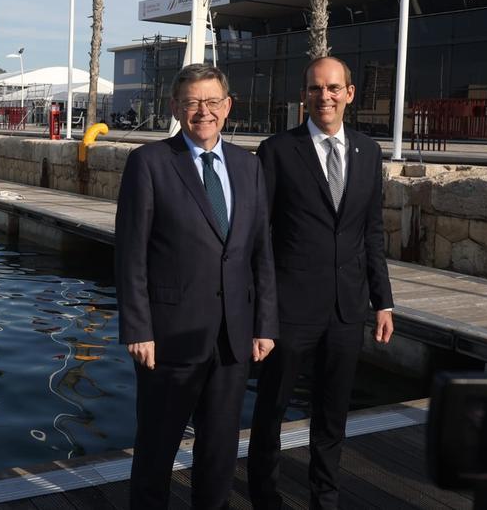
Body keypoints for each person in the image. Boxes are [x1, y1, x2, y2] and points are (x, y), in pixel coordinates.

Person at [116, 63, 278, 509]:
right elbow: (130, 254)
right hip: (168, 338)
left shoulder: (250, 166)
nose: (202, 112)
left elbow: (261, 252)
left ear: (227, 107)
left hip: (233, 339)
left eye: (211, 102)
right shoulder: (149, 163)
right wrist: (137, 328)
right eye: (191, 103)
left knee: (220, 451)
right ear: (175, 107)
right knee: (156, 451)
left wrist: (265, 324)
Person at [248, 56, 395, 510]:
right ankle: (264, 496)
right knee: (270, 412)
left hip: (346, 310)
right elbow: (261, 239)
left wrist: (383, 301)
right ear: (304, 95)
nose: (324, 96)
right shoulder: (276, 151)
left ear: (350, 94)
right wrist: (262, 313)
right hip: (290, 311)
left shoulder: (368, 152)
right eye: (315, 89)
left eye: (333, 88)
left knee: (332, 415)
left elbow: (371, 231)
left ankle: (324, 498)